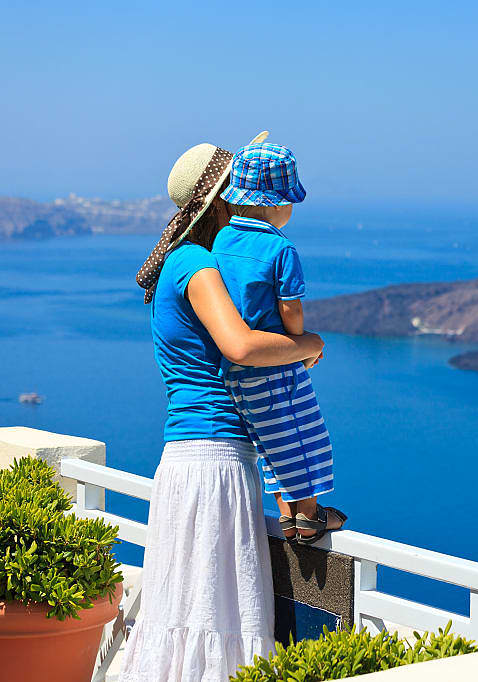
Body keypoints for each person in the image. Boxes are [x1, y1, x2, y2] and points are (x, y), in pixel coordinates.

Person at [121, 132, 325, 682]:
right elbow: (240, 346)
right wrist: (310, 346)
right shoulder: (197, 264)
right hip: (215, 459)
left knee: (182, 613)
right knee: (220, 615)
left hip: (186, 458)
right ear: (219, 199)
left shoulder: (180, 262)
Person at [212, 141, 345, 545]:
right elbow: (291, 310)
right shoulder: (280, 248)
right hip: (275, 360)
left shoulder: (220, 243)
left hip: (236, 369)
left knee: (270, 438)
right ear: (278, 203)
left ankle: (289, 516)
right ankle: (308, 516)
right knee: (301, 432)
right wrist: (303, 344)